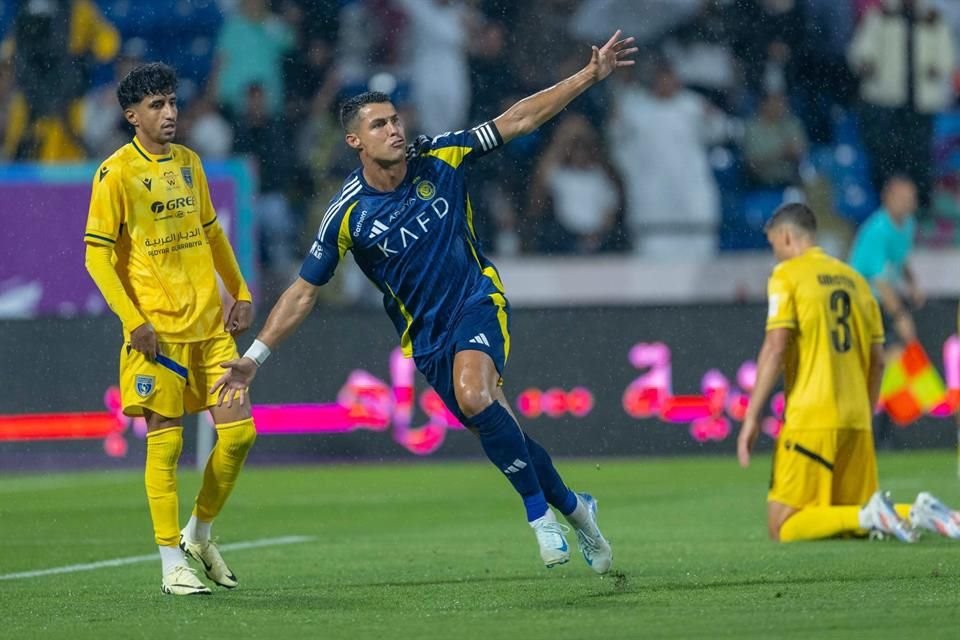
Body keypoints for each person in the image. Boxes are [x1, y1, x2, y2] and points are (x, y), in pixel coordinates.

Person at [211, 31, 639, 573]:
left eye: (395, 119)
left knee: (475, 394)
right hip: (427, 336)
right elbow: (302, 292)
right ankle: (578, 511)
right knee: (498, 422)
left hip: (476, 299)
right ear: (355, 143)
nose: (394, 130)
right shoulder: (347, 212)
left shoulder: (442, 155)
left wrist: (588, 75)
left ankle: (541, 521)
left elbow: (519, 120)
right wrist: (254, 358)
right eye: (378, 125)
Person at [84, 63, 258, 595]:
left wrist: (241, 290)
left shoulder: (189, 163)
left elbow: (211, 234)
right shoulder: (116, 174)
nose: (169, 114)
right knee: (165, 447)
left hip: (210, 329)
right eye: (156, 106)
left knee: (240, 434)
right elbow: (97, 257)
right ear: (131, 115)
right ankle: (169, 564)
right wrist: (133, 321)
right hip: (158, 337)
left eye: (172, 103)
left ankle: (198, 533)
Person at [736, 203, 959, 543]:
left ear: (785, 237)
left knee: (783, 525)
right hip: (856, 419)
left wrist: (752, 416)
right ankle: (917, 513)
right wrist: (864, 416)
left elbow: (776, 345)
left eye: (774, 246)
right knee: (850, 518)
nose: (776, 255)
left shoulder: (787, 275)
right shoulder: (857, 282)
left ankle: (877, 514)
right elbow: (879, 361)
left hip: (811, 418)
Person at [848, 175, 923, 446]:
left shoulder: (907, 225)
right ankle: (873, 434)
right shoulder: (877, 229)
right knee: (882, 363)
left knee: (891, 364)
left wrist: (913, 284)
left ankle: (880, 435)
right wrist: (901, 316)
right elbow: (878, 279)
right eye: (905, 198)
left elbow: (899, 260)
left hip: (880, 303)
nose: (911, 203)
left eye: (912, 198)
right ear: (888, 197)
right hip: (861, 304)